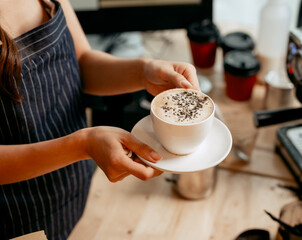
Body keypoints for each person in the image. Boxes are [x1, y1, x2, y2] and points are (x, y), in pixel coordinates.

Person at [0, 0, 200, 239]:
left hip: (70, 183)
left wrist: (144, 71)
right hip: (15, 216)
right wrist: (82, 144)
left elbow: (81, 62)